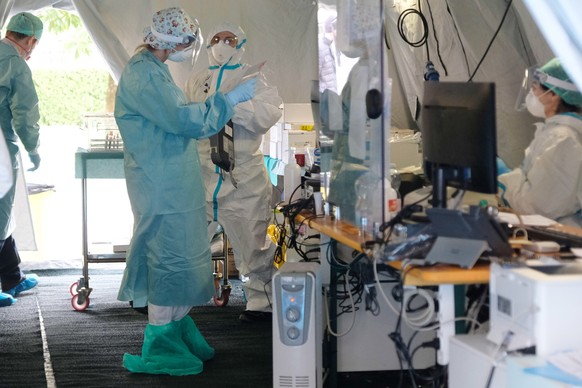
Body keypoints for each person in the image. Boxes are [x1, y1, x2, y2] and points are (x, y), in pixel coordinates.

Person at [114, 7, 256, 375]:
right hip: (160, 186)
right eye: (190, 42)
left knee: (186, 259)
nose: (191, 48)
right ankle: (159, 344)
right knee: (167, 264)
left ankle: (176, 327)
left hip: (174, 182)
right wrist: (229, 100)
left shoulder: (155, 69)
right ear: (171, 41)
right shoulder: (143, 75)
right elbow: (185, 121)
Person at [185, 23, 282, 323]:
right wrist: (224, 103)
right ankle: (176, 303)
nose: (222, 44)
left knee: (253, 243)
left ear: (241, 44)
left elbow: (267, 116)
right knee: (186, 241)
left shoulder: (255, 80)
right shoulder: (198, 80)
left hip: (244, 180)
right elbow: (190, 118)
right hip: (203, 176)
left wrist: (231, 106)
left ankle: (260, 303)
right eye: (216, 39)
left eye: (230, 39)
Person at [498, 58, 582, 226]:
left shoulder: (563, 140)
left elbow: (534, 206)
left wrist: (501, 177)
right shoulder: (556, 133)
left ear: (554, 95)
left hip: (563, 237)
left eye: (535, 89)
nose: (531, 94)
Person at [0, 12, 43, 308]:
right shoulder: (15, 64)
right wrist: (33, 148)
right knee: (0, 213)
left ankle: (12, 277)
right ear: (31, 40)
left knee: (4, 214)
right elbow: (26, 115)